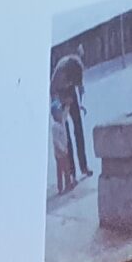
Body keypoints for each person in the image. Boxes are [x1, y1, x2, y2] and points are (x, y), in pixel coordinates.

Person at [50, 51, 89, 184]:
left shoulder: (76, 67)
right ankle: (72, 173)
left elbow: (79, 82)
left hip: (70, 91)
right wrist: (63, 102)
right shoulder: (59, 75)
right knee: (66, 137)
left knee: (78, 128)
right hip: (59, 95)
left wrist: (80, 90)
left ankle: (84, 166)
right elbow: (52, 93)